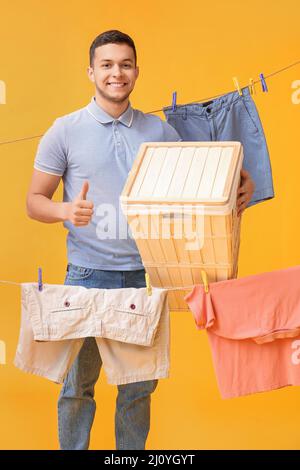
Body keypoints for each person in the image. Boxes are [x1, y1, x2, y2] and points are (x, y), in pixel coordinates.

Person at [26, 29, 255, 450]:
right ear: (91, 71)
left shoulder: (159, 131)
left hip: (144, 277)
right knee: (77, 387)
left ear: (136, 71)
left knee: (137, 389)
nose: (117, 73)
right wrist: (63, 211)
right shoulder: (65, 130)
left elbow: (198, 177)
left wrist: (239, 177)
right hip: (86, 276)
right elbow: (34, 201)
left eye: (125, 64)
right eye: (107, 65)